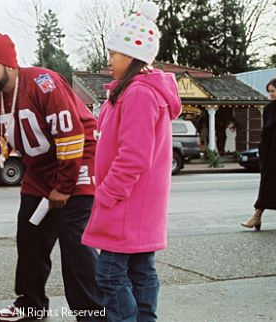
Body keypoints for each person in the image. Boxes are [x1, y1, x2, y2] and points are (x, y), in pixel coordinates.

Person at [0, 32, 105, 321]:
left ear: (8, 64)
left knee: (75, 246)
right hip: (41, 171)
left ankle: (92, 314)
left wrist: (64, 186)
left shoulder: (43, 82)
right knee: (29, 237)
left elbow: (70, 134)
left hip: (77, 161)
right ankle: (31, 304)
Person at [81, 2, 182, 321]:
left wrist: (108, 192)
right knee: (141, 270)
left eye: (114, 53)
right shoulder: (136, 91)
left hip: (126, 202)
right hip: (139, 203)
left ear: (133, 56)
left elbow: (134, 155)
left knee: (110, 274)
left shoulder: (138, 94)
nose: (109, 59)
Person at [241, 77, 276, 230]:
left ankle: (257, 217)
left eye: (273, 91)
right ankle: (257, 216)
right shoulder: (268, 109)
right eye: (269, 92)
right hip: (270, 154)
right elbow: (265, 132)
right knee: (267, 185)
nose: (271, 94)